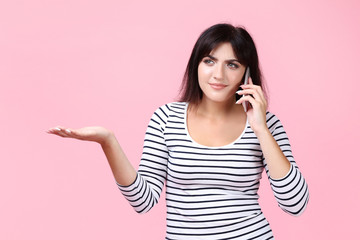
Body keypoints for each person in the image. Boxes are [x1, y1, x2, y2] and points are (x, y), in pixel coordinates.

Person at [48, 23, 309, 239]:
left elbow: (295, 204)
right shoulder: (166, 119)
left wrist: (261, 128)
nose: (218, 74)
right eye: (210, 61)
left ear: (247, 73)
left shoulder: (267, 124)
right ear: (196, 64)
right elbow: (143, 201)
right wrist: (107, 141)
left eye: (232, 65)